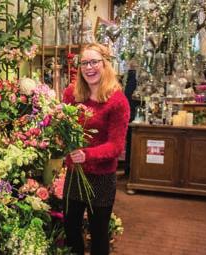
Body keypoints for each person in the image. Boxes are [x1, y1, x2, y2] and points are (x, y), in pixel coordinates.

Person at [62, 43, 130, 255]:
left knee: (99, 234)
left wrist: (87, 155)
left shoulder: (117, 101)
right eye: (84, 63)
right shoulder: (71, 94)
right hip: (75, 174)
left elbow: (116, 146)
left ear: (105, 64)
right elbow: (64, 125)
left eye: (94, 62)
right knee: (71, 229)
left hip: (101, 178)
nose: (89, 68)